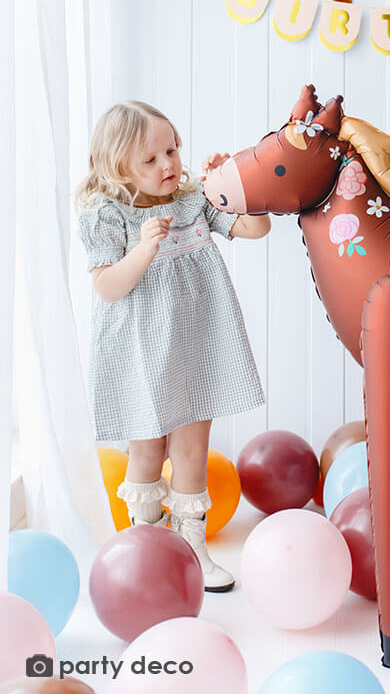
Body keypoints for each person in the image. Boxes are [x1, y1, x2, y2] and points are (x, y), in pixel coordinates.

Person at [76, 100, 270, 592]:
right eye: (151, 158)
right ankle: (145, 551)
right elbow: (107, 287)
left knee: (190, 449)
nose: (168, 164)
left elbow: (255, 228)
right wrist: (143, 248)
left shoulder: (191, 200)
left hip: (195, 344)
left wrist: (235, 186)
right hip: (141, 353)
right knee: (145, 449)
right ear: (118, 166)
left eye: (172, 149)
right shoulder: (106, 214)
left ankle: (191, 549)